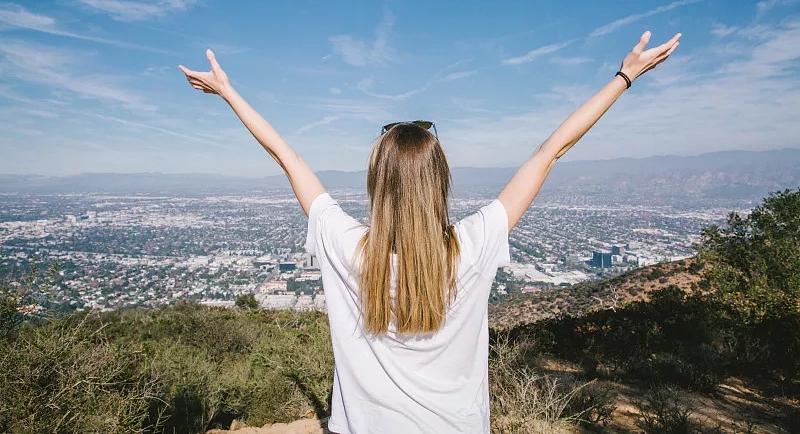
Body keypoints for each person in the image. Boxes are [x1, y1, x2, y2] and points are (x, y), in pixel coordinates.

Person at [179, 30, 681, 434]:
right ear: (439, 181)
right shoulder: (472, 246)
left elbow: (286, 157)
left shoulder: (347, 248)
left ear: (377, 182)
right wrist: (624, 76)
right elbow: (549, 151)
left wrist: (228, 93)